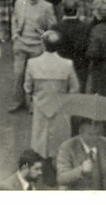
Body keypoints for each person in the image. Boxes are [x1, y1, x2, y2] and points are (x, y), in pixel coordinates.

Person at [24, 30, 81, 162]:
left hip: (40, 104)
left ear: (43, 44)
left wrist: (31, 100)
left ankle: (40, 160)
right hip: (60, 104)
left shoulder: (33, 63)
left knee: (40, 135)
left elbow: (27, 87)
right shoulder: (67, 64)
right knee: (59, 135)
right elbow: (75, 87)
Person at [8, 0, 57, 113]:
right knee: (18, 74)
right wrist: (14, 35)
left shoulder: (47, 6)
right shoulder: (19, 2)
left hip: (36, 45)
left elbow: (52, 28)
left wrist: (42, 33)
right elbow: (14, 19)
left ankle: (32, 104)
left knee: (35, 76)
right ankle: (17, 101)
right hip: (21, 43)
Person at [56, 117, 106, 190]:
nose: (95, 137)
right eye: (90, 134)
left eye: (98, 133)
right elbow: (61, 178)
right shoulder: (67, 147)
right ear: (80, 132)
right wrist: (81, 170)